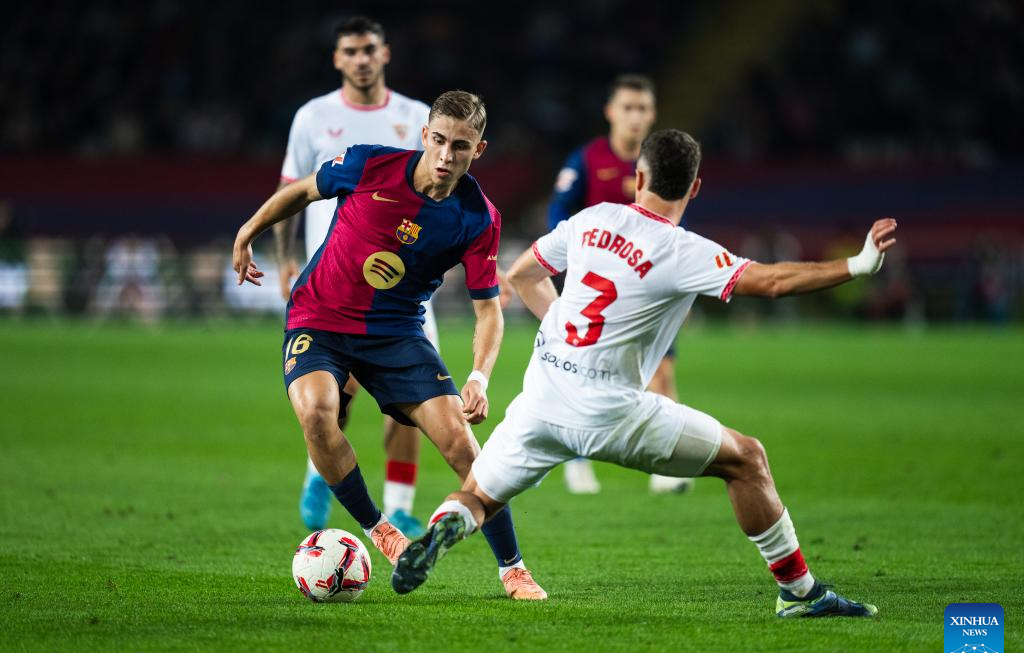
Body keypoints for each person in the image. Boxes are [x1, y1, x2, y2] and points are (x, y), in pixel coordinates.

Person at [391, 129, 894, 617]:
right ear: (694, 188)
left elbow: (522, 274)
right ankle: (800, 593)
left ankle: (442, 529)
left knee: (478, 495)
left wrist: (564, 327)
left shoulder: (592, 219)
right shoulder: (685, 251)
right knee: (747, 459)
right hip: (612, 412)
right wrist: (858, 264)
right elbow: (775, 282)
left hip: (541, 400)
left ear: (639, 177)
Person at [233, 90, 547, 601]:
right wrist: (249, 231)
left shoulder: (478, 217)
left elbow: (488, 308)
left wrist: (479, 376)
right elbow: (302, 191)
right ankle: (379, 528)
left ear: (479, 150)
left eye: (461, 147)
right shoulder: (367, 164)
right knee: (317, 413)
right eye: (440, 141)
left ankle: (513, 568)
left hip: (398, 335)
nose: (447, 156)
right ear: (424, 135)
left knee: (467, 451)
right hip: (320, 320)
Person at [274, 17, 436, 536]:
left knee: (410, 400)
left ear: (385, 53)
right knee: (335, 396)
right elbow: (291, 191)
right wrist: (284, 259)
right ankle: (320, 475)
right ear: (338, 59)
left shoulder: (415, 117)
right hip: (335, 282)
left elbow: (437, 192)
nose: (362, 58)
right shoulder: (313, 117)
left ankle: (402, 503)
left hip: (402, 284)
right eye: (351, 51)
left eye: (370, 49)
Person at [548, 74, 689, 495]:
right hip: (597, 293)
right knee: (585, 375)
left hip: (649, 291)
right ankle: (576, 461)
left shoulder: (662, 161)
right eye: (627, 107)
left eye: (643, 108)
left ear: (653, 114)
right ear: (611, 112)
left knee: (661, 373)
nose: (635, 117)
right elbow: (558, 214)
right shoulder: (586, 160)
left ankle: (665, 468)